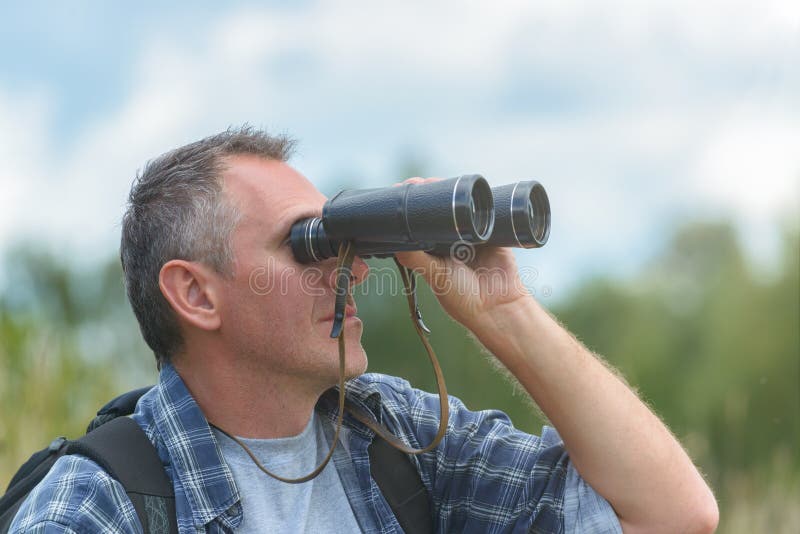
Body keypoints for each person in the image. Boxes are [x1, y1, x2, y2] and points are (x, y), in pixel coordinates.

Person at [10, 127, 719, 533]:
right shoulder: (100, 505)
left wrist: (504, 307)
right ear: (196, 293)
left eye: (346, 238)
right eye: (310, 243)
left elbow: (672, 516)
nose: (348, 268)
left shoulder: (396, 442)